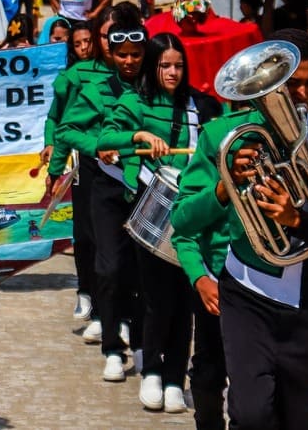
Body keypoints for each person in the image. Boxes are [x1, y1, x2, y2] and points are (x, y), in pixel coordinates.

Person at [172, 30, 308, 430]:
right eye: (288, 84)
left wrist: (299, 221)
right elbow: (182, 220)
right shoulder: (224, 137)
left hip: (304, 295)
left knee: (297, 420)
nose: (298, 95)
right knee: (251, 413)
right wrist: (224, 189)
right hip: (244, 290)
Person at [99, 33, 222, 415]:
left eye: (178, 65)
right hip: (152, 207)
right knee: (155, 299)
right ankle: (152, 370)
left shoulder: (199, 105)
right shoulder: (136, 101)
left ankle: (174, 379)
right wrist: (138, 134)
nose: (172, 72)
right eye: (165, 65)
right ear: (154, 67)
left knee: (186, 300)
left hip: (194, 212)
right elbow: (105, 138)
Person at [57, 17, 149, 382]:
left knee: (142, 273)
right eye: (121, 53)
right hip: (106, 188)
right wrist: (98, 148)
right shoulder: (95, 87)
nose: (128, 61)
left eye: (136, 54)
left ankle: (142, 346)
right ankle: (112, 346)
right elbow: (67, 129)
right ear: (110, 51)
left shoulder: (156, 90)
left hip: (148, 189)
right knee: (108, 267)